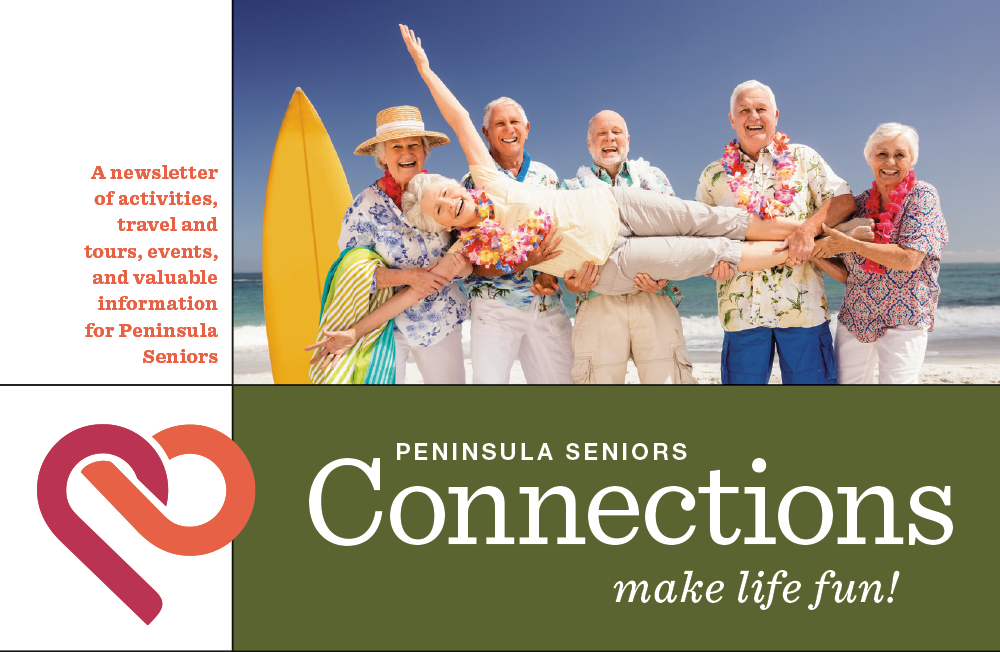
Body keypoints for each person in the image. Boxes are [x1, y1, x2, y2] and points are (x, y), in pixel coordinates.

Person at [307, 28, 811, 369]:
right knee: (706, 252)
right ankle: (817, 248)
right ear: (440, 222)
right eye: (440, 210)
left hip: (615, 206)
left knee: (711, 219)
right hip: (609, 257)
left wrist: (425, 69)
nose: (450, 204)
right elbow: (418, 288)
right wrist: (354, 332)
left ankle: (811, 231)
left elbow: (459, 118)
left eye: (446, 193)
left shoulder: (489, 178)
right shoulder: (471, 249)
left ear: (457, 183)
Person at [695, 80, 862, 384]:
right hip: (741, 312)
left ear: (775, 114)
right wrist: (712, 265)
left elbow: (844, 200)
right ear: (732, 119)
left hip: (803, 310)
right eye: (744, 110)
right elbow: (699, 233)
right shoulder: (712, 174)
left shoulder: (803, 158)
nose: (753, 116)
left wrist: (808, 229)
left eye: (761, 109)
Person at [309, 105, 469, 384]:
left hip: (441, 319)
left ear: (425, 151)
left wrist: (461, 267)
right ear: (382, 156)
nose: (406, 153)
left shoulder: (446, 193)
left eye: (413, 145)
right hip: (384, 328)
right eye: (396, 146)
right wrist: (408, 277)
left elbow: (467, 251)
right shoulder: (363, 208)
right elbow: (350, 274)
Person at [560, 110, 719, 384]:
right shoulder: (571, 189)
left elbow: (677, 234)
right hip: (598, 301)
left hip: (653, 296)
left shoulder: (654, 179)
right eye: (601, 133)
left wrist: (664, 276)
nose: (609, 138)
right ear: (589, 143)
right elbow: (565, 252)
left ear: (628, 140)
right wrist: (571, 283)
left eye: (616, 132)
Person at [811, 123, 948, 384]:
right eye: (882, 153)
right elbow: (851, 276)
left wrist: (853, 244)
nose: (890, 161)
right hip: (857, 316)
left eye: (900, 154)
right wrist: (813, 253)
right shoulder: (859, 204)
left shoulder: (922, 195)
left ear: (911, 159)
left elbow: (909, 259)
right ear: (870, 158)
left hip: (905, 316)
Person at [459, 96, 574, 384]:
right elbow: (468, 261)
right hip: (494, 305)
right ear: (486, 133)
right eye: (499, 124)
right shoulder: (472, 182)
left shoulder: (547, 177)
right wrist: (521, 262)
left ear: (527, 128)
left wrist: (547, 273)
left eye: (514, 122)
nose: (508, 129)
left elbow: (563, 236)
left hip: (547, 304)